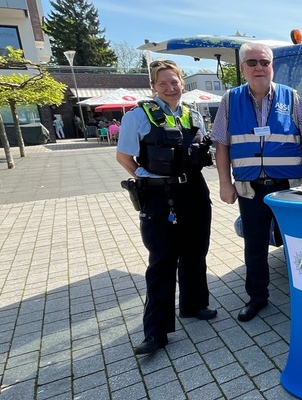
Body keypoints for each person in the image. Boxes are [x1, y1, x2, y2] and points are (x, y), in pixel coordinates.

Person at [115, 59, 216, 355]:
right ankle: (156, 332)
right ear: (153, 86)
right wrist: (145, 177)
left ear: (182, 83)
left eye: (174, 82)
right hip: (160, 195)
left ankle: (194, 304)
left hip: (194, 191)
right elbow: (124, 157)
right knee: (162, 261)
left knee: (196, 251)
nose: (170, 88)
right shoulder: (138, 116)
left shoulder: (193, 114)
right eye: (163, 83)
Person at [213, 43, 302, 323]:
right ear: (242, 68)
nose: (259, 67)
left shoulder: (290, 96)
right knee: (255, 246)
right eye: (252, 62)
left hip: (289, 186)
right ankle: (257, 298)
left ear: (272, 66)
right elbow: (221, 144)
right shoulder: (230, 100)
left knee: (297, 243)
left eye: (264, 62)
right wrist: (224, 183)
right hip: (250, 188)